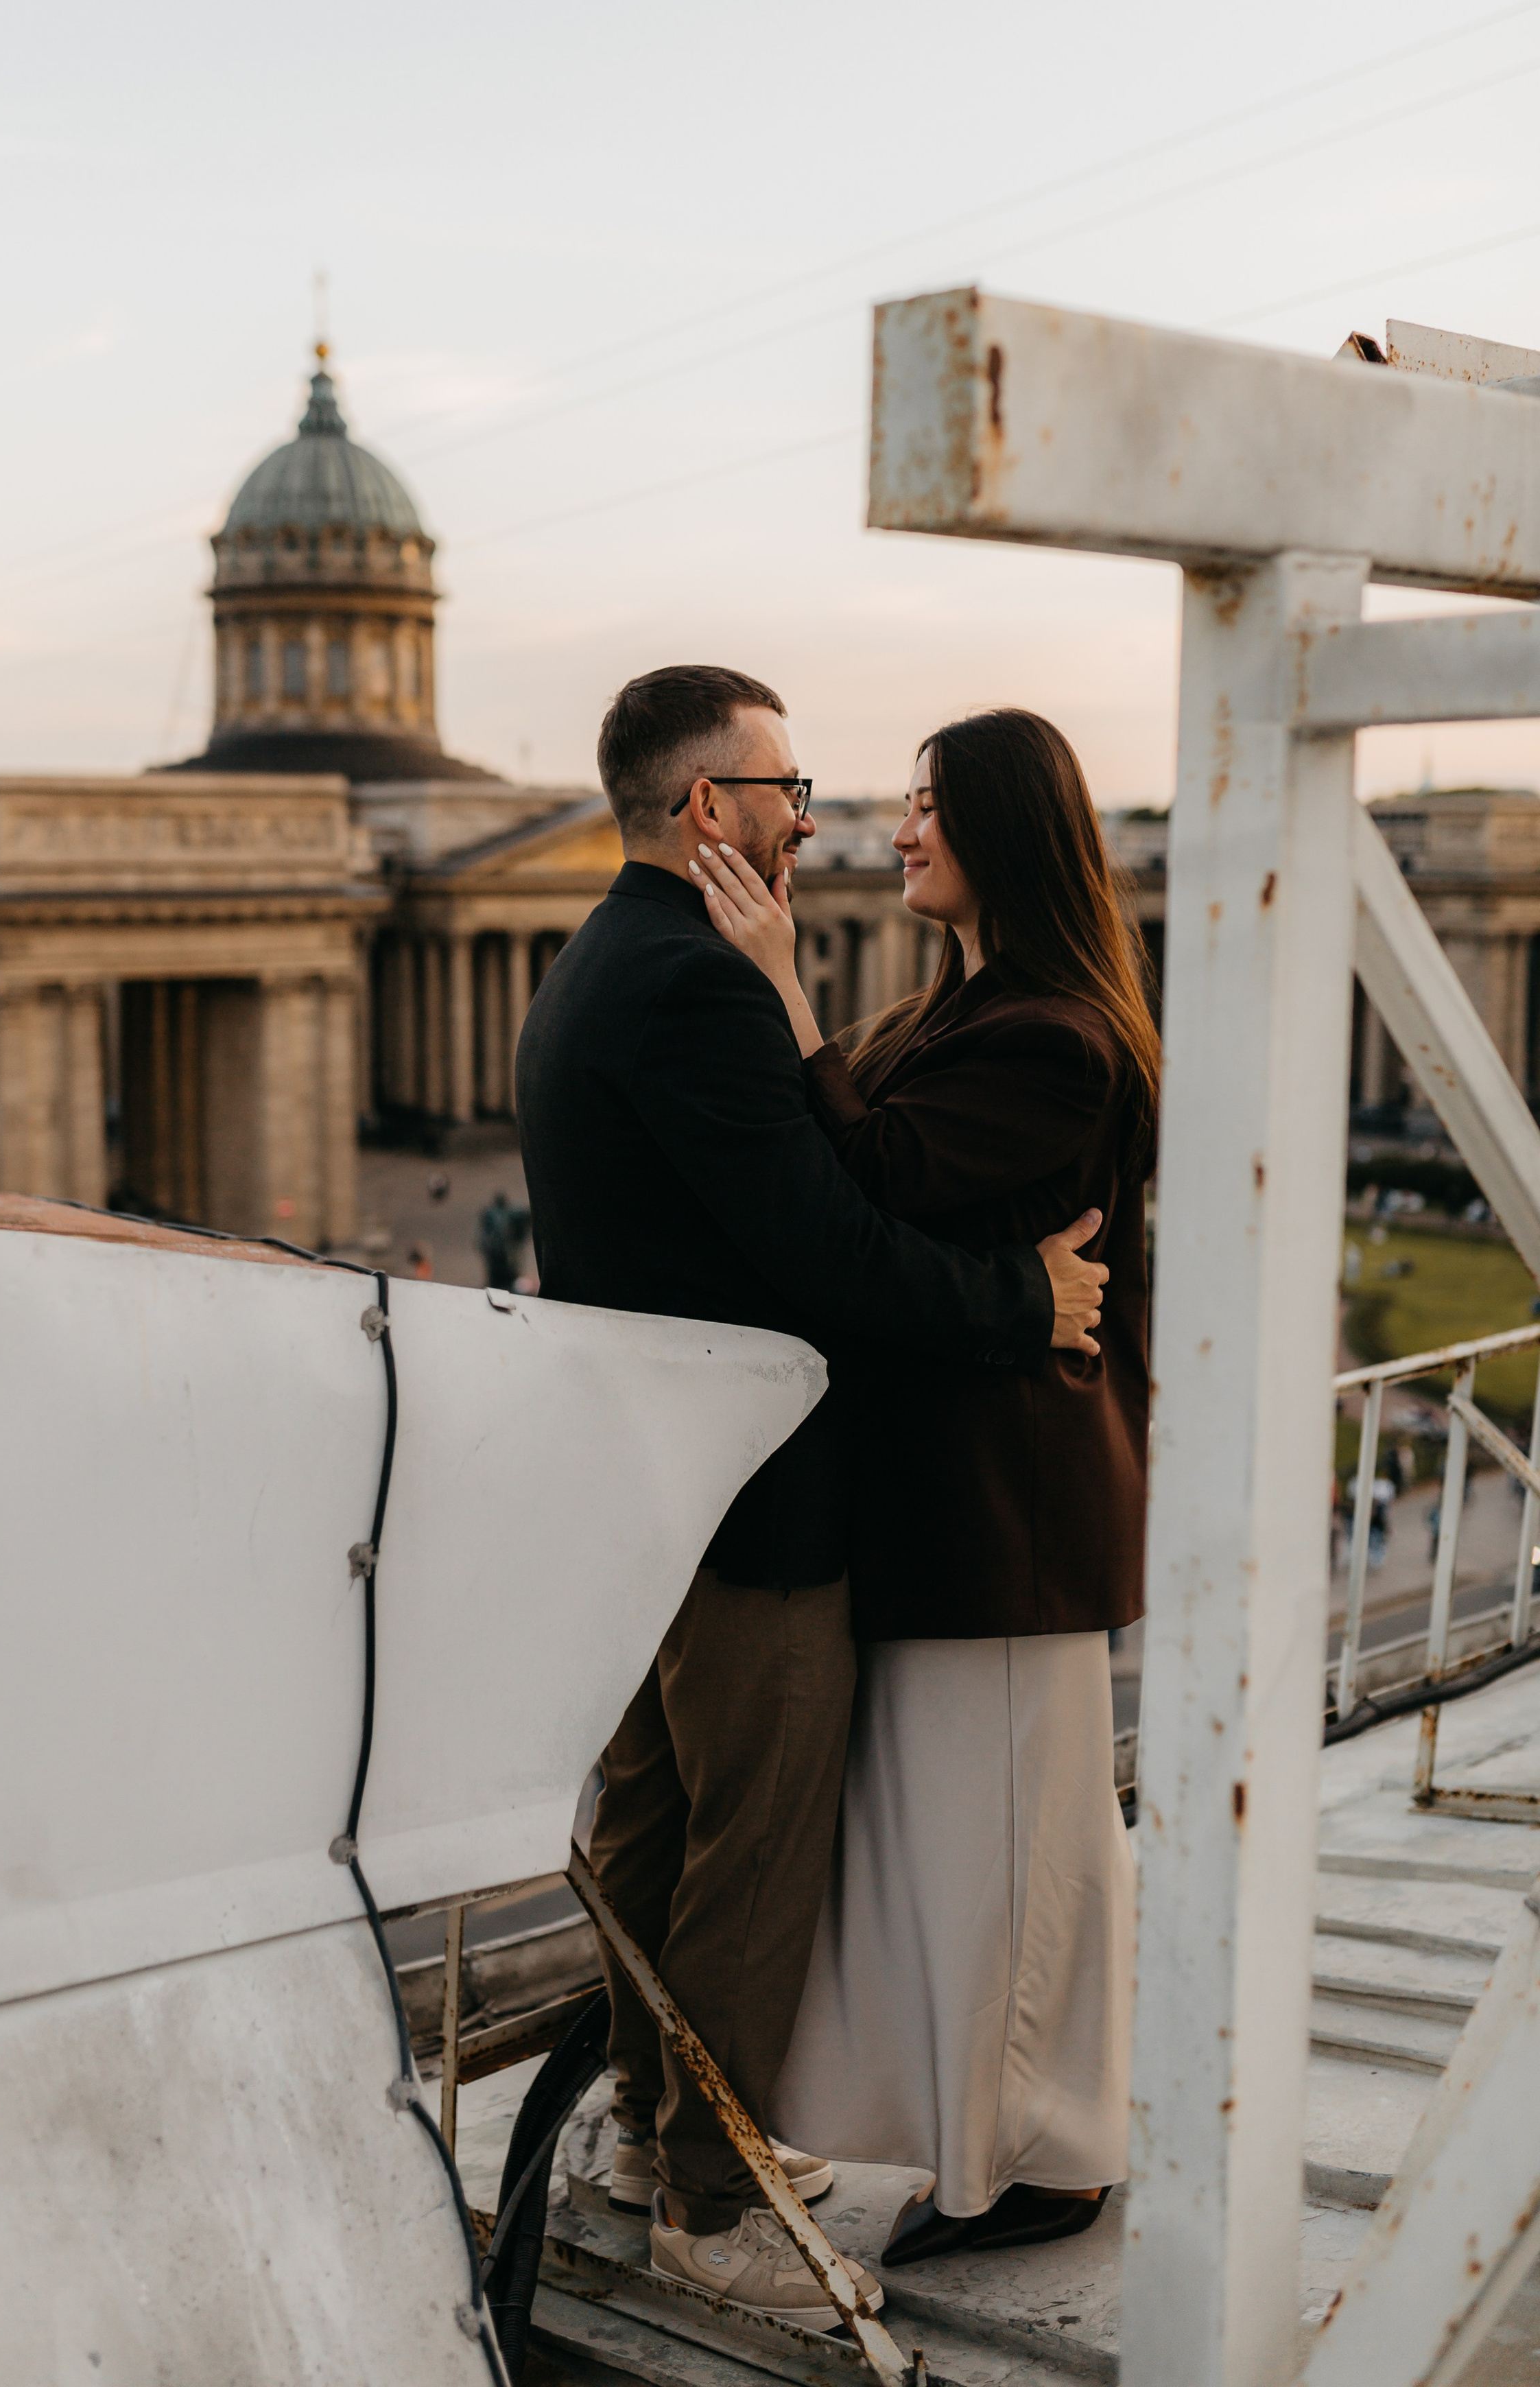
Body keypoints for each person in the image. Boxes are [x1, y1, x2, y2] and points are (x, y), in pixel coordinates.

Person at [514, 666, 1111, 2326]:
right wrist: (1021, 1301)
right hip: (755, 1498)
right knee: (751, 1858)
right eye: (785, 787)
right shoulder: (699, 984)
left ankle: (644, 2141)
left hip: (650, 1489)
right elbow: (829, 1248)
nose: (810, 814)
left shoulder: (594, 963)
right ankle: (713, 2202)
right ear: (706, 805)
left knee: (648, 1823)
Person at [695, 706, 1153, 2268]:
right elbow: (859, 1169)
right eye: (897, 801)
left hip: (1007, 1509)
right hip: (950, 1500)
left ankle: (1053, 2155)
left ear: (1009, 831)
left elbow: (872, 1180)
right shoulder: (959, 1011)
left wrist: (775, 987)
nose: (893, 829)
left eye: (927, 805)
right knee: (970, 1852)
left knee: (1021, 1855)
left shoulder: (1050, 1032)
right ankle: (997, 2139)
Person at [475, 1188, 532, 1293]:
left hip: (502, 1253)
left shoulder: (494, 1213)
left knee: (504, 1278)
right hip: (499, 1254)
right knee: (502, 1279)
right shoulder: (493, 1214)